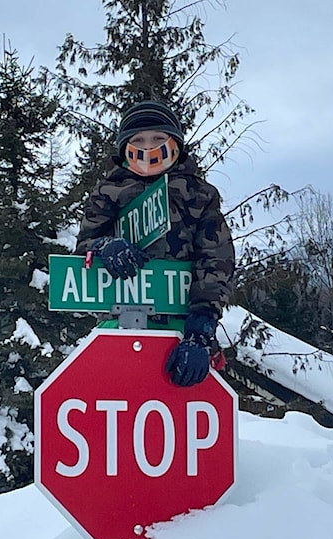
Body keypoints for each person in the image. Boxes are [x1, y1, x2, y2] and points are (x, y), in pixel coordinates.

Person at [74, 100, 235, 387]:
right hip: (119, 321)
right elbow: (85, 246)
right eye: (138, 140)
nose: (148, 148)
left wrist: (200, 330)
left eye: (158, 138)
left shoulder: (199, 194)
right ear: (125, 147)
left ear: (175, 143)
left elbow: (215, 260)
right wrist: (103, 246)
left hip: (181, 325)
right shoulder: (107, 192)